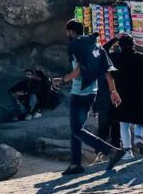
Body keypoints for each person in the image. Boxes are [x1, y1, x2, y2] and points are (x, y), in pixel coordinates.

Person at [52, 19, 125, 176]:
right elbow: (107, 71)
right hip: (93, 91)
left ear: (70, 31)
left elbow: (79, 71)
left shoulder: (75, 46)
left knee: (76, 129)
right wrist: (113, 91)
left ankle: (111, 151)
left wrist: (62, 79)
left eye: (67, 32)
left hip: (79, 93)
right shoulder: (97, 46)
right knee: (76, 129)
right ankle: (75, 163)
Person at [108, 33, 143, 159]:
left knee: (124, 123)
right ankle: (138, 139)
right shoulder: (142, 57)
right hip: (138, 91)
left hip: (121, 92)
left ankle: (127, 151)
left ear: (120, 45)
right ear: (133, 44)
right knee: (141, 119)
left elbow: (103, 50)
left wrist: (114, 39)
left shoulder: (114, 58)